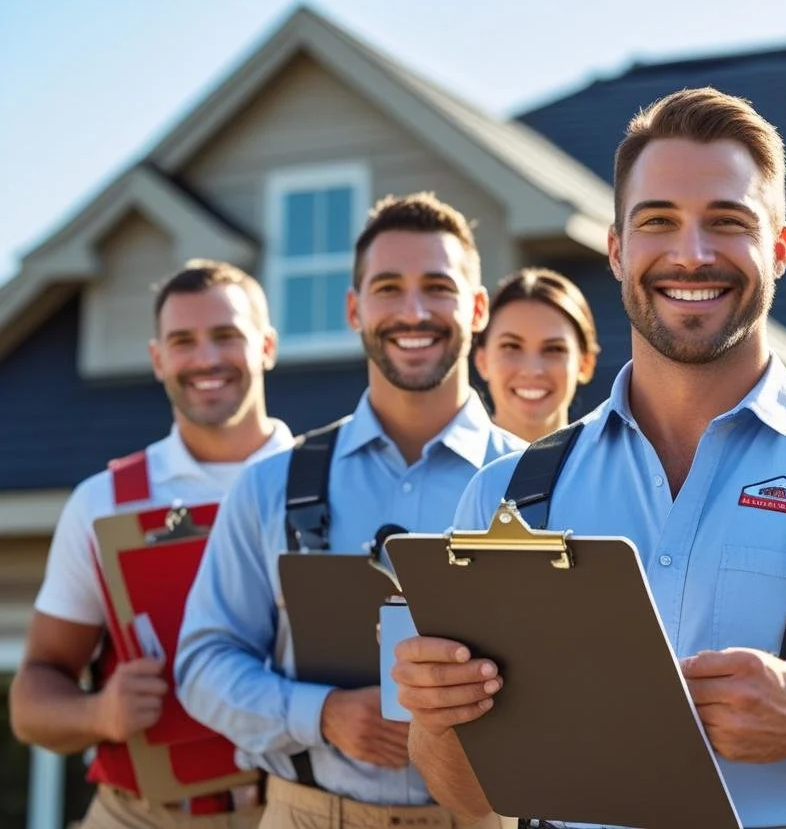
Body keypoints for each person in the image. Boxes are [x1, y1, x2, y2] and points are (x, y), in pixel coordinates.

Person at [393, 87, 786, 829]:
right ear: (617, 248)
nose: (691, 254)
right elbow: (471, 797)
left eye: (728, 223)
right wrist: (437, 718)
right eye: (658, 222)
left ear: (782, 250)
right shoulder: (504, 500)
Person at [175, 192, 520, 828]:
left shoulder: (540, 484)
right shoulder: (269, 486)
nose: (412, 311)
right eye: (388, 288)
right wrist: (323, 713)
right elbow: (202, 664)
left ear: (476, 309)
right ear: (355, 309)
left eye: (437, 287)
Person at [11, 261, 294, 828]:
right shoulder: (104, 502)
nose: (207, 359)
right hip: (141, 815)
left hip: (293, 812)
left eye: (226, 336)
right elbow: (31, 700)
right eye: (183, 341)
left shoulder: (323, 483)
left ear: (265, 345)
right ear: (158, 358)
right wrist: (98, 712)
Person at [471, 267, 600, 443]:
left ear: (586, 363)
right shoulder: (448, 468)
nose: (532, 370)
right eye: (511, 346)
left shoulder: (615, 468)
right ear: (481, 360)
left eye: (554, 349)